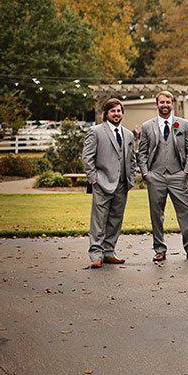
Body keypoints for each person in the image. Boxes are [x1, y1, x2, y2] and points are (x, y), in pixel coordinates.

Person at [137, 91, 188, 262]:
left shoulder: (184, 124)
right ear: (156, 104)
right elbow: (141, 152)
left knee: (186, 212)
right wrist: (145, 173)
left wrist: (186, 171)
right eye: (162, 102)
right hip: (155, 176)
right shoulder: (147, 126)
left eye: (168, 102)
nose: (165, 105)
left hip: (178, 175)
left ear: (172, 103)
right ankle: (159, 249)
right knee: (156, 214)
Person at [82, 98, 137, 269]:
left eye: (119, 111)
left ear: (122, 113)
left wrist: (131, 178)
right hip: (102, 183)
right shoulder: (96, 131)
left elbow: (131, 159)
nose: (116, 114)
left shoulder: (128, 134)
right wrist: (94, 179)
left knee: (115, 220)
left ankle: (109, 251)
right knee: (99, 221)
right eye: (113, 111)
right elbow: (87, 157)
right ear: (106, 114)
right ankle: (96, 255)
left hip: (122, 184)